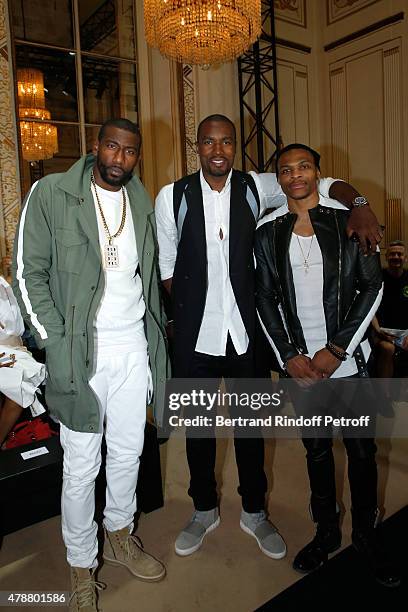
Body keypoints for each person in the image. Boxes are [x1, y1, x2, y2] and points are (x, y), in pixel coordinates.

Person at [155, 114, 383, 559]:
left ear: (235, 147)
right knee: (197, 431)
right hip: (196, 339)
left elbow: (321, 180)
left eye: (226, 142)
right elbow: (167, 266)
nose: (217, 150)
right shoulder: (173, 195)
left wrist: (359, 202)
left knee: (250, 430)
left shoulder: (258, 186)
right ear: (196, 146)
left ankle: (255, 512)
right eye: (208, 142)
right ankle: (204, 509)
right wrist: (190, 311)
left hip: (247, 338)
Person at [12, 118, 170, 611]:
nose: (119, 158)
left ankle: (120, 535)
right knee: (81, 466)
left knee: (128, 450)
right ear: (96, 146)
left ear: (136, 157)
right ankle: (82, 563)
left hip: (133, 347)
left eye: (129, 151)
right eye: (112, 146)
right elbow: (27, 273)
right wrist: (55, 344)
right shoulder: (53, 193)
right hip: (79, 350)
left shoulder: (143, 202)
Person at [254, 143, 400, 587]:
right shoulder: (267, 230)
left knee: (361, 451)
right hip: (300, 367)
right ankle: (326, 531)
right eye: (285, 170)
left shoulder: (350, 221)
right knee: (315, 450)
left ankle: (365, 535)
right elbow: (264, 298)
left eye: (303, 167)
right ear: (278, 179)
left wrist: (335, 350)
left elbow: (371, 289)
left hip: (348, 362)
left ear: (318, 172)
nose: (295, 175)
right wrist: (290, 357)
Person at [0, 275, 45, 447]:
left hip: (15, 350)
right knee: (16, 386)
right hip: (9, 350)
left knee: (17, 386)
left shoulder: (3, 284)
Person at [371, 241, 408, 379]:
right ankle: (385, 396)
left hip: (405, 332)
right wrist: (378, 330)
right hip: (381, 331)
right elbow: (369, 309)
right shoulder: (377, 278)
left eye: (400, 254)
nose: (396, 257)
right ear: (386, 257)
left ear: (405, 257)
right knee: (388, 348)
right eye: (392, 254)